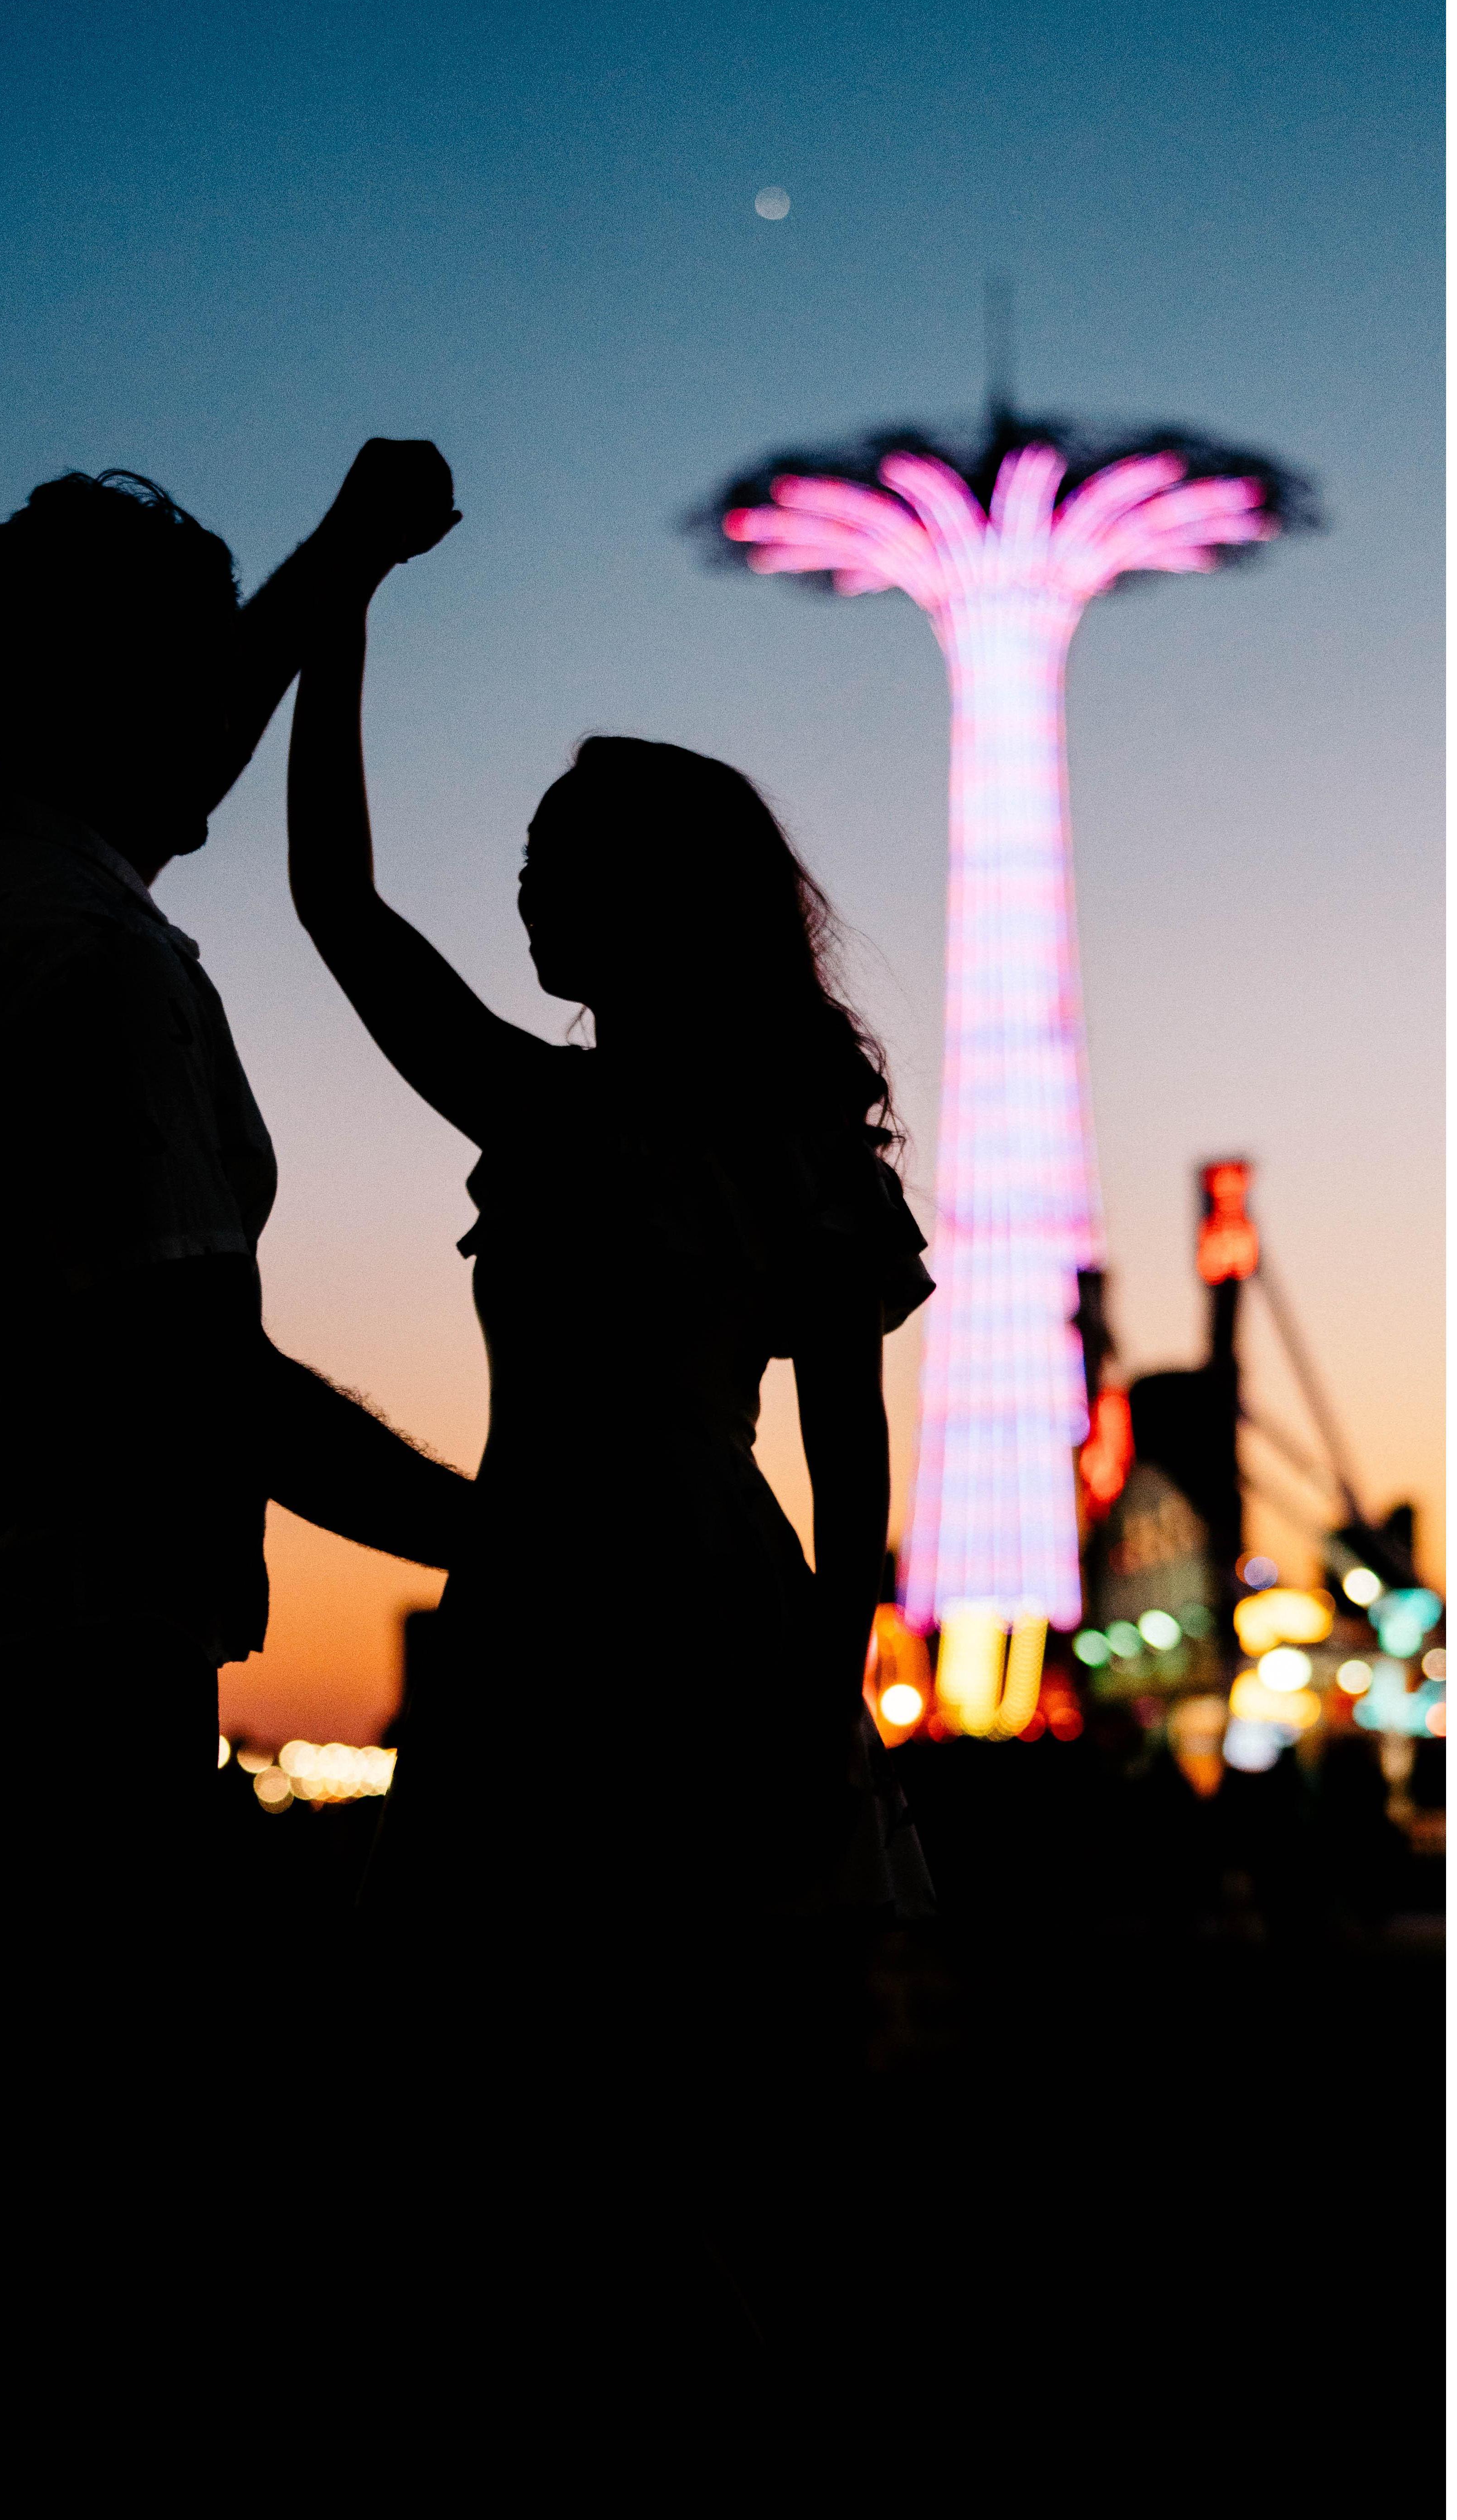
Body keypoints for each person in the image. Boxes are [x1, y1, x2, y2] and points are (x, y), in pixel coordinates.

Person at [283, 570, 934, 2386]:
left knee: (561, 2094)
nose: (523, 893)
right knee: (591, 2099)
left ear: (654, 902)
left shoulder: (602, 1125)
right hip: (634, 1602)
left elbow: (857, 1459)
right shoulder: (705, 1139)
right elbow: (338, 906)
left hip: (609, 1610)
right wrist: (339, 606)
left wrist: (342, 604)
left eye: (554, 864)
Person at [0, 443, 471, 2234]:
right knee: (138, 2181)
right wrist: (502, 1532)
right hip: (76, 1671)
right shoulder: (100, 968)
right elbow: (204, 1374)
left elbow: (162, 752)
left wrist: (337, 567)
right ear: (126, 697)